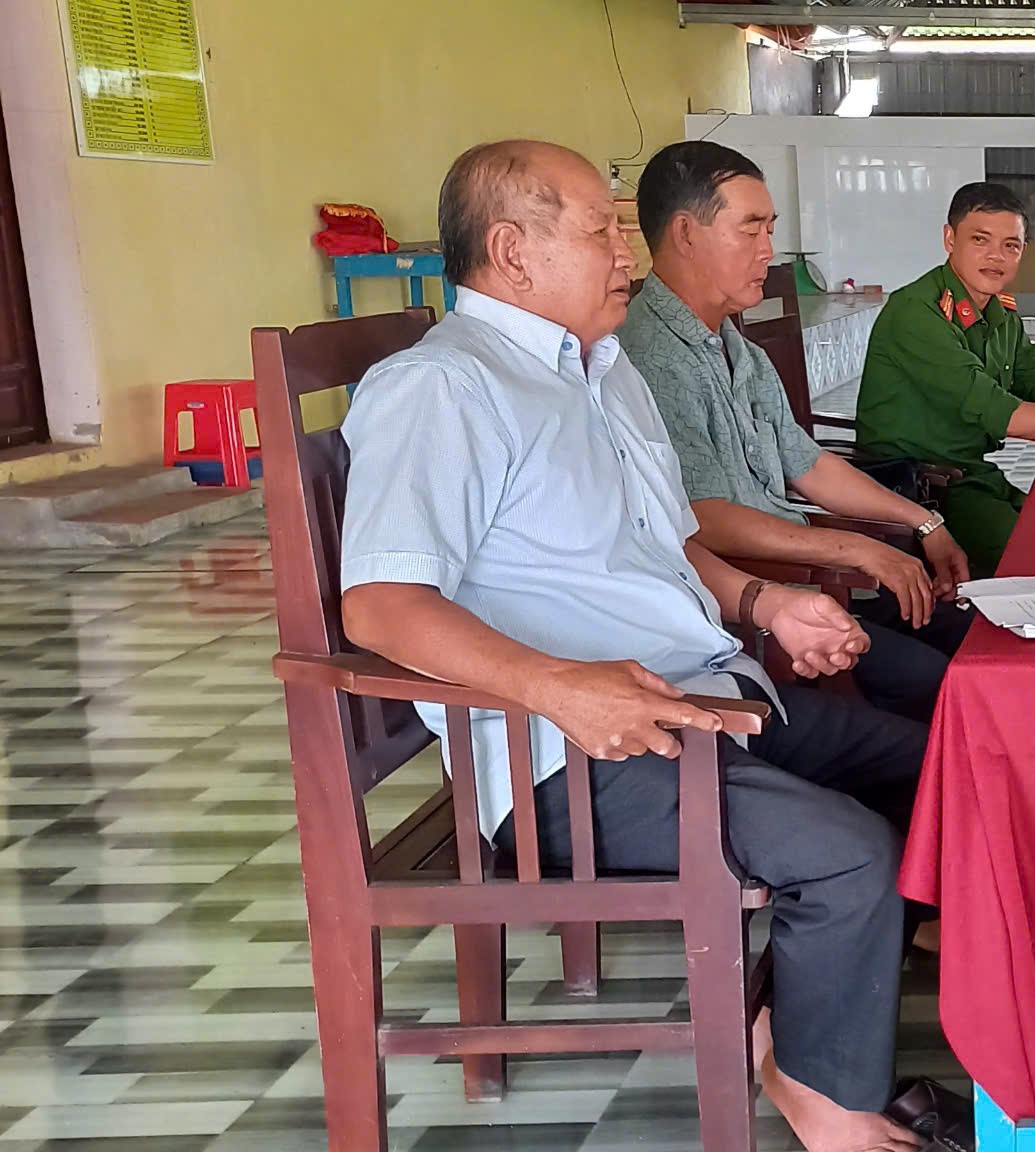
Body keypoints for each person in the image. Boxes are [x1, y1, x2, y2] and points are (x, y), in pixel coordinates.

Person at [338, 139, 928, 1152]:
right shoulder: (442, 387)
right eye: (601, 232)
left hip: (706, 693)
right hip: (575, 755)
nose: (627, 254)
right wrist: (557, 686)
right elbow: (381, 605)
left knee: (944, 768)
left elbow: (667, 543)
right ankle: (824, 1092)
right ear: (512, 252)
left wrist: (764, 602)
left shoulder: (604, 373)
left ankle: (793, 1021)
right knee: (848, 856)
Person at [618, 140, 968, 722]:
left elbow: (807, 463)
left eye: (770, 229)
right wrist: (858, 549)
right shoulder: (648, 357)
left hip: (812, 582)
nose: (768, 250)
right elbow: (700, 517)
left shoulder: (737, 348)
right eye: (750, 229)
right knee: (949, 687)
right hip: (752, 610)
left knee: (971, 637)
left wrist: (923, 522)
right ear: (685, 234)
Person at [858, 182, 1035, 577]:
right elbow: (1006, 416)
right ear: (949, 239)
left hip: (971, 474)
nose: (996, 256)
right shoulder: (917, 312)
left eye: (1011, 245)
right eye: (980, 240)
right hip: (918, 486)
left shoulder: (999, 313)